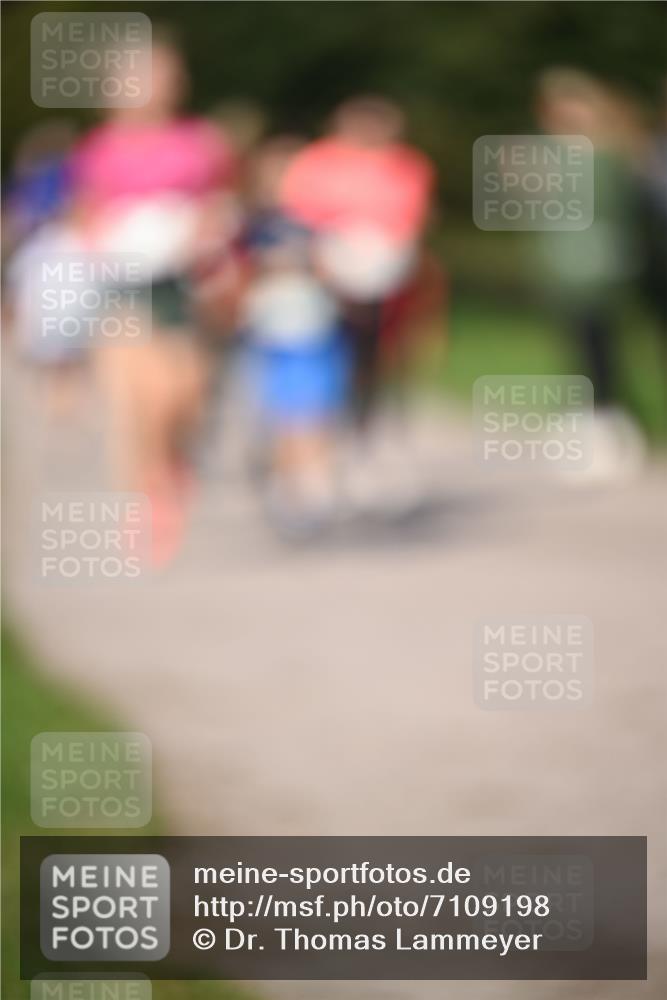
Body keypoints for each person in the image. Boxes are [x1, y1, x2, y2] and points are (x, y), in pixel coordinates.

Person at [70, 29, 236, 563]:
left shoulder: (200, 142)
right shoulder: (97, 149)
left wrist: (201, 238)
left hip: (179, 284)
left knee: (182, 393)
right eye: (138, 76)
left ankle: (173, 462)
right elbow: (86, 213)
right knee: (134, 396)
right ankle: (144, 500)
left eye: (161, 74)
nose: (149, 86)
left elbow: (221, 206)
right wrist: (101, 242)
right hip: (119, 285)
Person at [279, 96, 435, 428]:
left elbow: (411, 218)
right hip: (320, 267)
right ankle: (319, 416)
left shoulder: (405, 165)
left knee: (375, 350)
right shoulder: (318, 161)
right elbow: (297, 212)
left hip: (384, 274)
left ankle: (362, 415)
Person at [240, 137, 349, 537]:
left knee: (317, 404)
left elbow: (333, 268)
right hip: (270, 330)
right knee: (283, 409)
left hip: (314, 324)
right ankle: (288, 484)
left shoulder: (320, 223)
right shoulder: (252, 223)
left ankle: (314, 480)